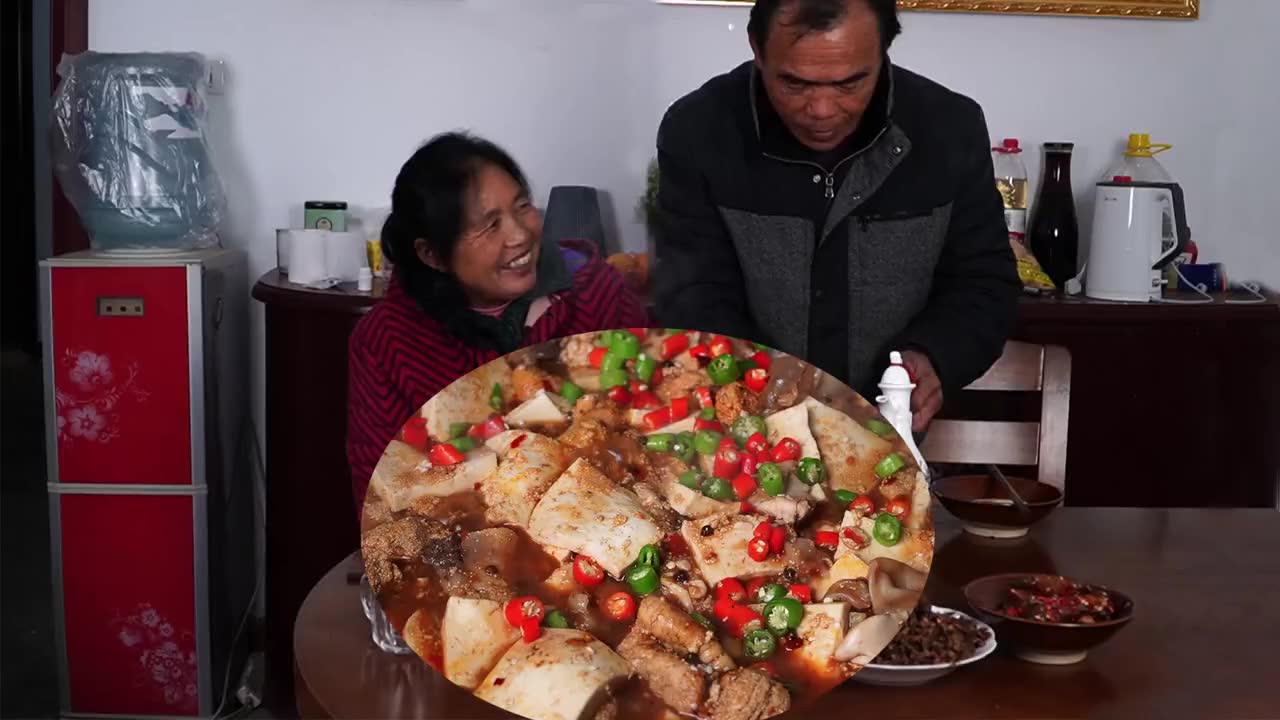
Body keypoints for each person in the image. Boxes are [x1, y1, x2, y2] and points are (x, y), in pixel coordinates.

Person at [651, 0, 1020, 431]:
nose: (822, 110)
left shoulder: (948, 128)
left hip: (899, 437)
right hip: (746, 438)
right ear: (756, 47)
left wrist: (935, 355)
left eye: (850, 84)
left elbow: (984, 281)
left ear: (885, 49)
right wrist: (760, 393)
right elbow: (692, 292)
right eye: (793, 83)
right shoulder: (699, 130)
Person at [347, 132, 649, 513]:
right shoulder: (387, 340)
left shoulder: (598, 294)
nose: (520, 236)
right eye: (490, 226)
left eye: (522, 206)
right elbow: (379, 490)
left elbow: (652, 418)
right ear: (433, 254)